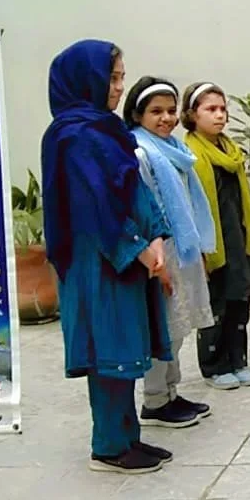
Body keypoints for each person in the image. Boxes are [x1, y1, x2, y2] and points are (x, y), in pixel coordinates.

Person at [40, 40, 173, 474]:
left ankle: (128, 435)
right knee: (108, 348)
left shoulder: (105, 130)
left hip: (126, 255)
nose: (119, 87)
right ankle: (109, 446)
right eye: (112, 78)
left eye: (120, 77)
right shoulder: (73, 136)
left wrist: (156, 235)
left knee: (127, 345)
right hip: (98, 260)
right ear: (87, 80)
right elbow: (91, 206)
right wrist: (137, 247)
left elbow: (134, 188)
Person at [125, 77, 216, 428]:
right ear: (137, 114)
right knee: (162, 327)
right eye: (155, 111)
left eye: (170, 110)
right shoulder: (141, 153)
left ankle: (171, 392)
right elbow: (146, 210)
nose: (165, 118)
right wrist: (156, 262)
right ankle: (155, 401)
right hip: (161, 254)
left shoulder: (174, 150)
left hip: (182, 252)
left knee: (177, 328)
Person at [184, 82, 250, 391]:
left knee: (238, 301)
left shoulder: (231, 151)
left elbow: (244, 199)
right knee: (216, 304)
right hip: (212, 242)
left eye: (222, 109)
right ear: (192, 115)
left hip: (236, 236)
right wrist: (199, 249)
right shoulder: (190, 153)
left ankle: (237, 360)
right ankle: (214, 366)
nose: (219, 116)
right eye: (210, 109)